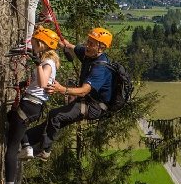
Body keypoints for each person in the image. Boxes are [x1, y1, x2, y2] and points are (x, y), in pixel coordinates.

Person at [23, 27, 114, 159]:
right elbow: (69, 46)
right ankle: (25, 139)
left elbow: (84, 91)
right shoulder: (89, 53)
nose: (87, 45)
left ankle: (45, 151)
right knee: (52, 121)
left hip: (94, 107)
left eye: (91, 44)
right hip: (88, 100)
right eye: (88, 41)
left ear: (101, 48)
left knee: (55, 116)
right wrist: (52, 38)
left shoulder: (100, 68)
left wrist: (61, 89)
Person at [1, 27, 62, 184]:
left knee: (11, 148)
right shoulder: (48, 62)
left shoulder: (47, 63)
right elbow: (41, 84)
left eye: (34, 42)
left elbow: (43, 83)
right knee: (10, 117)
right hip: (34, 106)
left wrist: (36, 63)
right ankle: (27, 147)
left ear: (41, 44)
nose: (32, 45)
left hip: (30, 105)